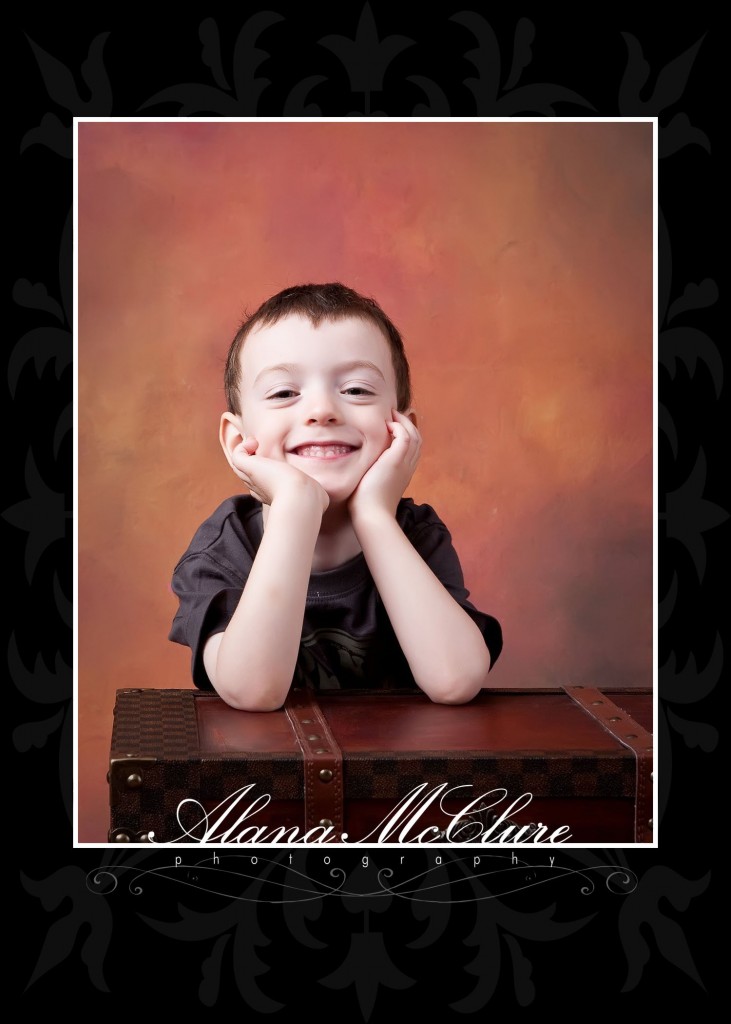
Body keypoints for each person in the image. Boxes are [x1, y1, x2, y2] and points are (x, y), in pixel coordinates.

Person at [169, 283, 502, 711]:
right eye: (284, 393)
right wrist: (295, 506)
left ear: (402, 429)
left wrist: (374, 517)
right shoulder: (224, 550)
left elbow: (455, 681)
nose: (322, 410)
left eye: (357, 390)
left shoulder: (416, 535)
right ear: (238, 440)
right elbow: (252, 691)